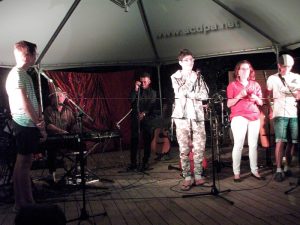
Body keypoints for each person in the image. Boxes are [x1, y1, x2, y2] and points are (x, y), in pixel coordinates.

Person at [5, 40, 47, 212]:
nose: (36, 56)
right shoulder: (17, 75)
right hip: (25, 124)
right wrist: (39, 124)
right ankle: (24, 204)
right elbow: (25, 102)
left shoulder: (23, 74)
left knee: (22, 164)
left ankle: (25, 202)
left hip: (25, 124)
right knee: (23, 164)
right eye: (35, 53)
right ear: (27, 55)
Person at [171, 49, 209, 191]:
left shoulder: (199, 76)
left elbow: (205, 94)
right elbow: (180, 92)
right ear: (180, 62)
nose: (190, 62)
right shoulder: (175, 76)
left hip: (197, 115)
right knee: (184, 148)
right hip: (181, 116)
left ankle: (198, 175)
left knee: (199, 146)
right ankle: (187, 176)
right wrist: (192, 82)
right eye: (187, 60)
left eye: (192, 59)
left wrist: (192, 95)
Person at [226, 60, 264, 182]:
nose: (245, 71)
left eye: (247, 69)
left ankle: (254, 170)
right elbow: (228, 104)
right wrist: (239, 96)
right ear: (237, 71)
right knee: (239, 145)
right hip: (239, 116)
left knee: (253, 145)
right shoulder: (232, 85)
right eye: (242, 69)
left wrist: (256, 98)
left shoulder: (255, 84)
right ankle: (236, 173)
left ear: (250, 71)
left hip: (254, 116)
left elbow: (261, 102)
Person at [266, 54, 300, 182]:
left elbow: (299, 94)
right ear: (279, 65)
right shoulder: (272, 78)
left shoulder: (297, 77)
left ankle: (287, 167)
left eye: (289, 67)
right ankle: (278, 169)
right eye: (284, 67)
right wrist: (270, 109)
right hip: (279, 113)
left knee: (292, 142)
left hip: (293, 113)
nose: (287, 69)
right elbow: (268, 95)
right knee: (280, 141)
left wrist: (296, 94)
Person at [43, 88, 77, 183]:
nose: (59, 98)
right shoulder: (48, 110)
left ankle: (77, 170)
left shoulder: (68, 110)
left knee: (81, 144)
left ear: (65, 98)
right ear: (52, 99)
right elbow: (48, 125)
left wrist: (76, 128)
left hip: (66, 138)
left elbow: (73, 124)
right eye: (56, 96)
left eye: (61, 96)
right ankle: (52, 175)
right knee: (51, 149)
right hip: (54, 139)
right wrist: (61, 131)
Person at [128, 72, 157, 172]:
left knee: (147, 141)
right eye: (142, 81)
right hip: (136, 119)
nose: (143, 83)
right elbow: (131, 101)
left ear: (149, 81)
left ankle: (145, 163)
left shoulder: (152, 92)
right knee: (134, 141)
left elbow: (151, 105)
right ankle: (133, 163)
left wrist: (144, 113)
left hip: (147, 119)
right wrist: (136, 89)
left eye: (145, 81)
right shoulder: (136, 91)